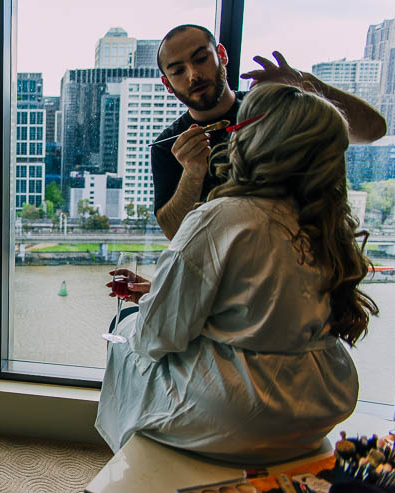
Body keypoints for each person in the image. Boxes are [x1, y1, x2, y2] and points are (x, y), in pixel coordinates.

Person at [96, 83, 379, 463]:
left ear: (253, 141)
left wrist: (151, 302)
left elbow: (158, 336)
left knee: (125, 330)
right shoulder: (329, 225)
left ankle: (134, 460)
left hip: (236, 415)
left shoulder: (221, 217)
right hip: (320, 406)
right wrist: (161, 291)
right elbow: (266, 310)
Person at [152, 25, 387, 240]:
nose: (193, 75)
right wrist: (192, 173)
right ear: (167, 84)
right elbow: (175, 234)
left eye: (201, 59)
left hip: (300, 258)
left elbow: (373, 130)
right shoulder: (168, 144)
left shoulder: (275, 108)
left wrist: (304, 84)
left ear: (221, 55)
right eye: (178, 71)